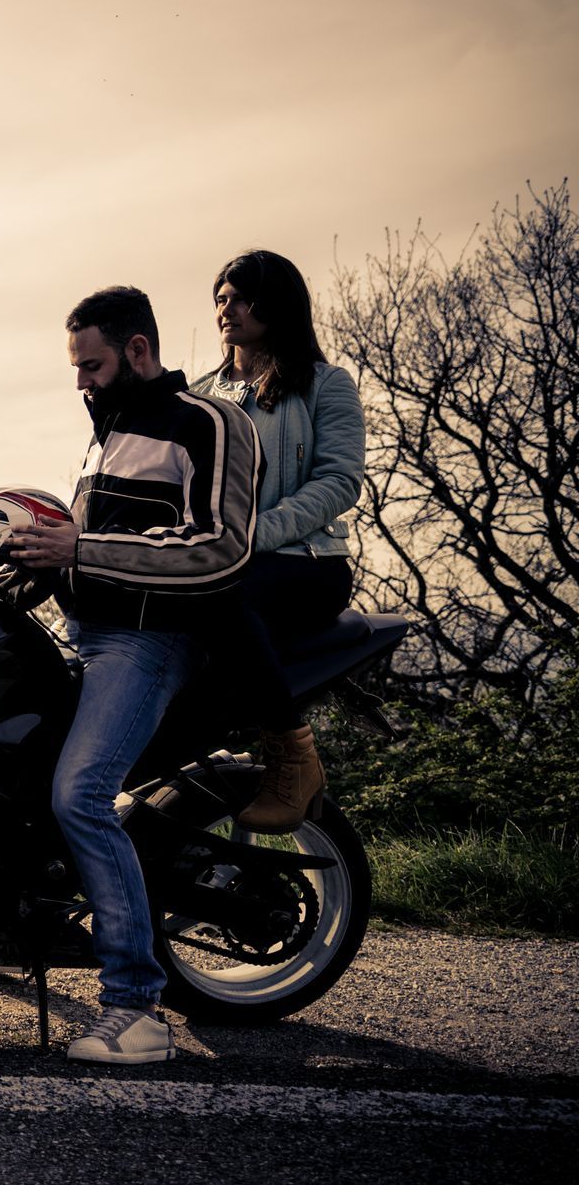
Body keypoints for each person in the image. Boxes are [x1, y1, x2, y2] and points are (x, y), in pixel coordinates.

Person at [6, 286, 260, 1065]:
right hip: (83, 634)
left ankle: (137, 1008)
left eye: (91, 365)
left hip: (149, 643)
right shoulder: (106, 436)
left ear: (138, 351)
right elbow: (93, 549)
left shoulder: (208, 422)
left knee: (80, 794)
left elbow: (222, 548)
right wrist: (31, 560)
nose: (80, 381)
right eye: (76, 367)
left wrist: (80, 549)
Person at [192, 250, 365, 833]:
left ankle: (292, 754)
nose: (227, 309)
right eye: (221, 298)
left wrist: (252, 536)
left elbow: (340, 480)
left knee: (220, 595)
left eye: (242, 298)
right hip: (215, 561)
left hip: (305, 563)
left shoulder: (325, 385)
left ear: (278, 305)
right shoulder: (197, 396)